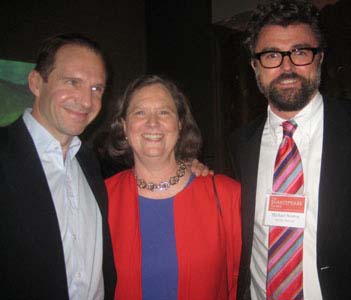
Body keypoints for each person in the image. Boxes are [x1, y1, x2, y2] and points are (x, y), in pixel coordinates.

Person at [229, 1, 351, 299]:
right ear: (255, 66)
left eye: (300, 52)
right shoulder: (241, 144)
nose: (287, 67)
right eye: (271, 55)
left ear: (320, 59)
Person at [0, 33, 116, 300]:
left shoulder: (88, 163)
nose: (86, 101)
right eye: (72, 82)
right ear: (36, 83)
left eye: (97, 88)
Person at [105, 74, 241, 300]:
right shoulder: (101, 198)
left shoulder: (227, 196)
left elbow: (241, 282)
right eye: (140, 112)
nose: (152, 123)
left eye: (164, 112)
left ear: (179, 125)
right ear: (124, 127)